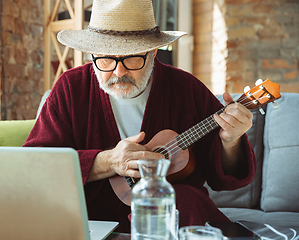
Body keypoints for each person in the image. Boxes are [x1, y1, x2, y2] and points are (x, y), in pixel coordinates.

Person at [23, 0, 256, 233]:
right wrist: (109, 161)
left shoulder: (186, 88)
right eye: (106, 59)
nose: (118, 71)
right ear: (91, 55)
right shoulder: (70, 88)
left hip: (171, 213)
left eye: (132, 58)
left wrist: (230, 141)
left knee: (187, 199)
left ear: (153, 53)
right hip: (94, 217)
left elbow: (224, 177)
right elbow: (36, 165)